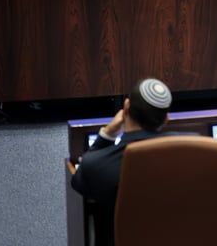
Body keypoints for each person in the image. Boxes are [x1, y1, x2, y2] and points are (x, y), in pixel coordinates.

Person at [71, 78, 172, 246]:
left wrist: (107, 134)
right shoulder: (196, 154)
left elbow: (78, 181)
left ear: (126, 108)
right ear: (166, 119)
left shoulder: (97, 165)